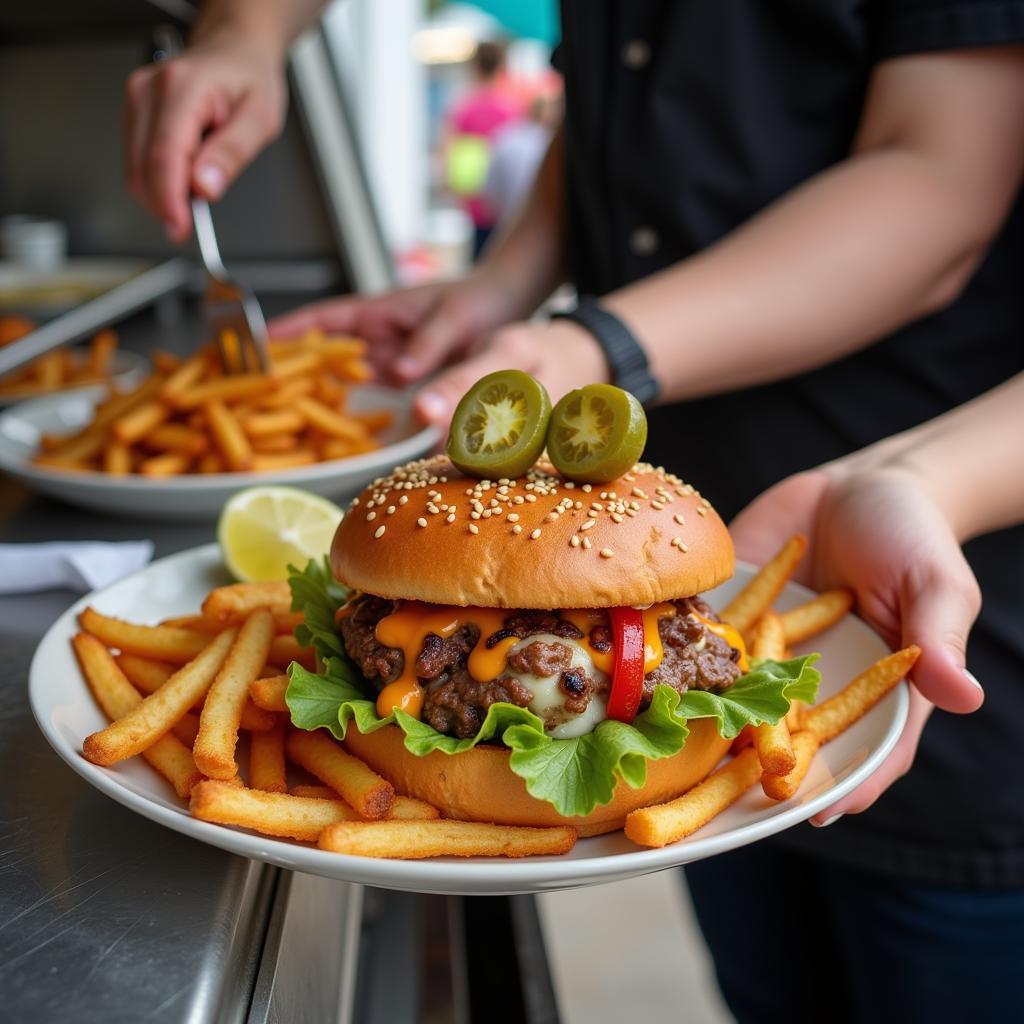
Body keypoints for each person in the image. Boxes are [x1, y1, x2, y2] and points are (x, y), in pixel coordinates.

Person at [124, 2, 1024, 1019]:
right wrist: (497, 292)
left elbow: (939, 179)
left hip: (939, 577)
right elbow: (614, 116)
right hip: (698, 551)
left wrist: (591, 344)